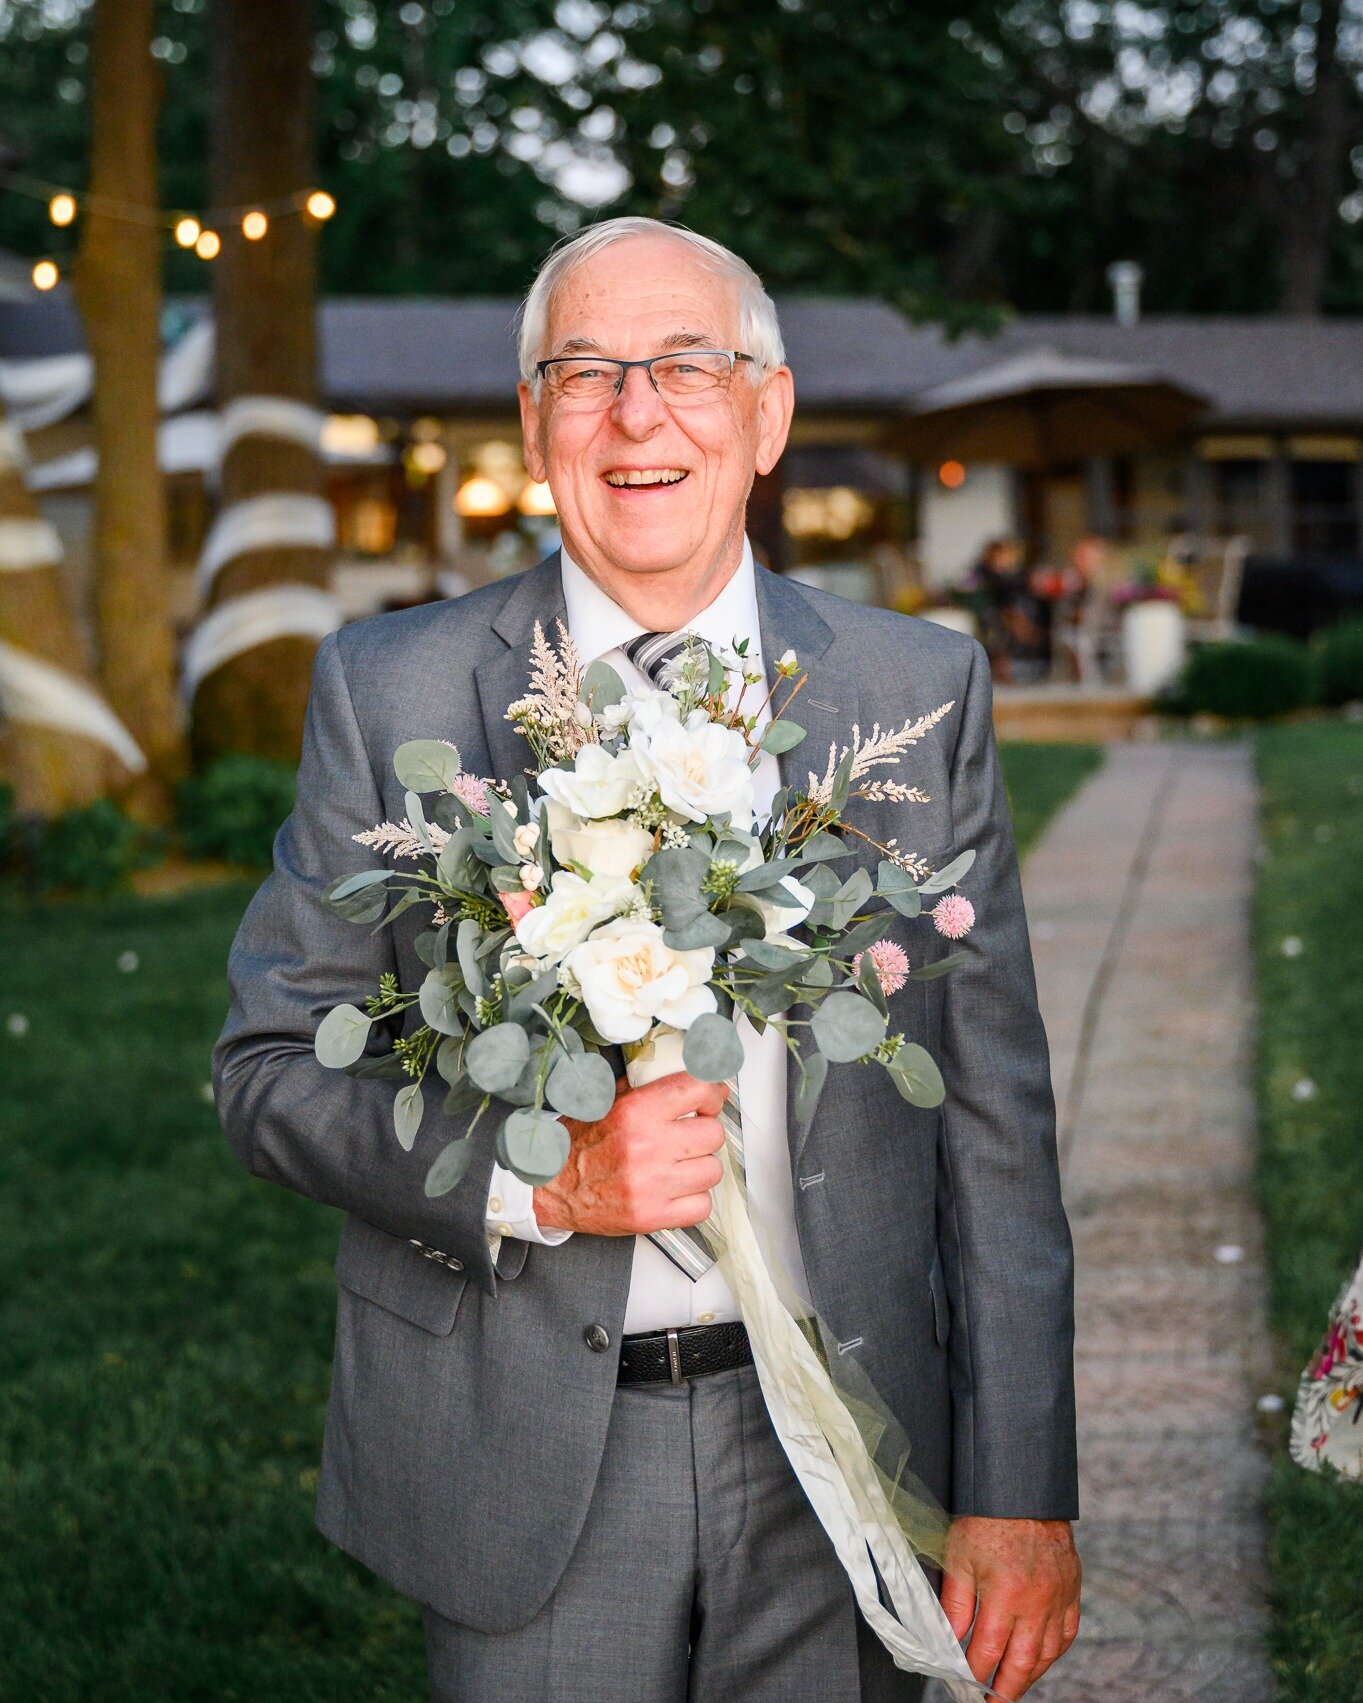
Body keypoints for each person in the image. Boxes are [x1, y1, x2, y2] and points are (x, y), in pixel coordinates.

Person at [213, 217, 1080, 1702]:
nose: (638, 413)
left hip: (841, 1432)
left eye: (688, 364)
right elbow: (267, 1073)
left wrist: (1023, 1484)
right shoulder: (393, 689)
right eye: (585, 372)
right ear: (537, 422)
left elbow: (996, 1127)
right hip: (527, 1449)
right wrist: (538, 1176)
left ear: (769, 413)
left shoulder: (914, 694)